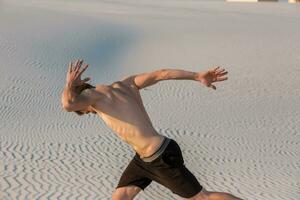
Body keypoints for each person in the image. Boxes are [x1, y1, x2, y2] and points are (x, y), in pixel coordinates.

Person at [61, 59, 243, 200]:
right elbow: (161, 74)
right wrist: (196, 76)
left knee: (202, 197)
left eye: (85, 111)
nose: (90, 112)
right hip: (144, 159)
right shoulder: (127, 83)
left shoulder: (93, 96)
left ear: (83, 96)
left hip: (160, 157)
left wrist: (69, 84)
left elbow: (68, 104)